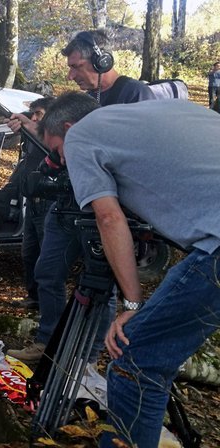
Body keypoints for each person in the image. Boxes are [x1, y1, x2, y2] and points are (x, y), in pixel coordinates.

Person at [37, 91, 220, 447]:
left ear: (69, 129)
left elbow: (108, 217)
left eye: (57, 151)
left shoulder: (80, 136)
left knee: (133, 363)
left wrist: (132, 305)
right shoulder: (155, 111)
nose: (62, 162)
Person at [8, 29, 153, 363]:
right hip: (69, 204)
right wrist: (33, 130)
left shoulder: (134, 94)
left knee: (103, 284)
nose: (71, 75)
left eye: (77, 65)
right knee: (47, 272)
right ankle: (48, 344)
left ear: (102, 60)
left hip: (108, 209)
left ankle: (88, 358)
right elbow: (63, 148)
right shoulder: (76, 101)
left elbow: (136, 154)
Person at [6, 96, 55, 310]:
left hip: (48, 204)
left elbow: (49, 145)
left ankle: (47, 303)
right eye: (32, 114)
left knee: (47, 257)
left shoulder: (54, 139)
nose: (34, 118)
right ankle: (34, 297)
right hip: (31, 203)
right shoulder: (33, 133)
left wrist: (28, 124)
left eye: (39, 115)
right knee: (29, 254)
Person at [63, 30, 155, 106]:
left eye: (76, 67)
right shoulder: (87, 100)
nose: (70, 76)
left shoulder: (136, 93)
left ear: (101, 62)